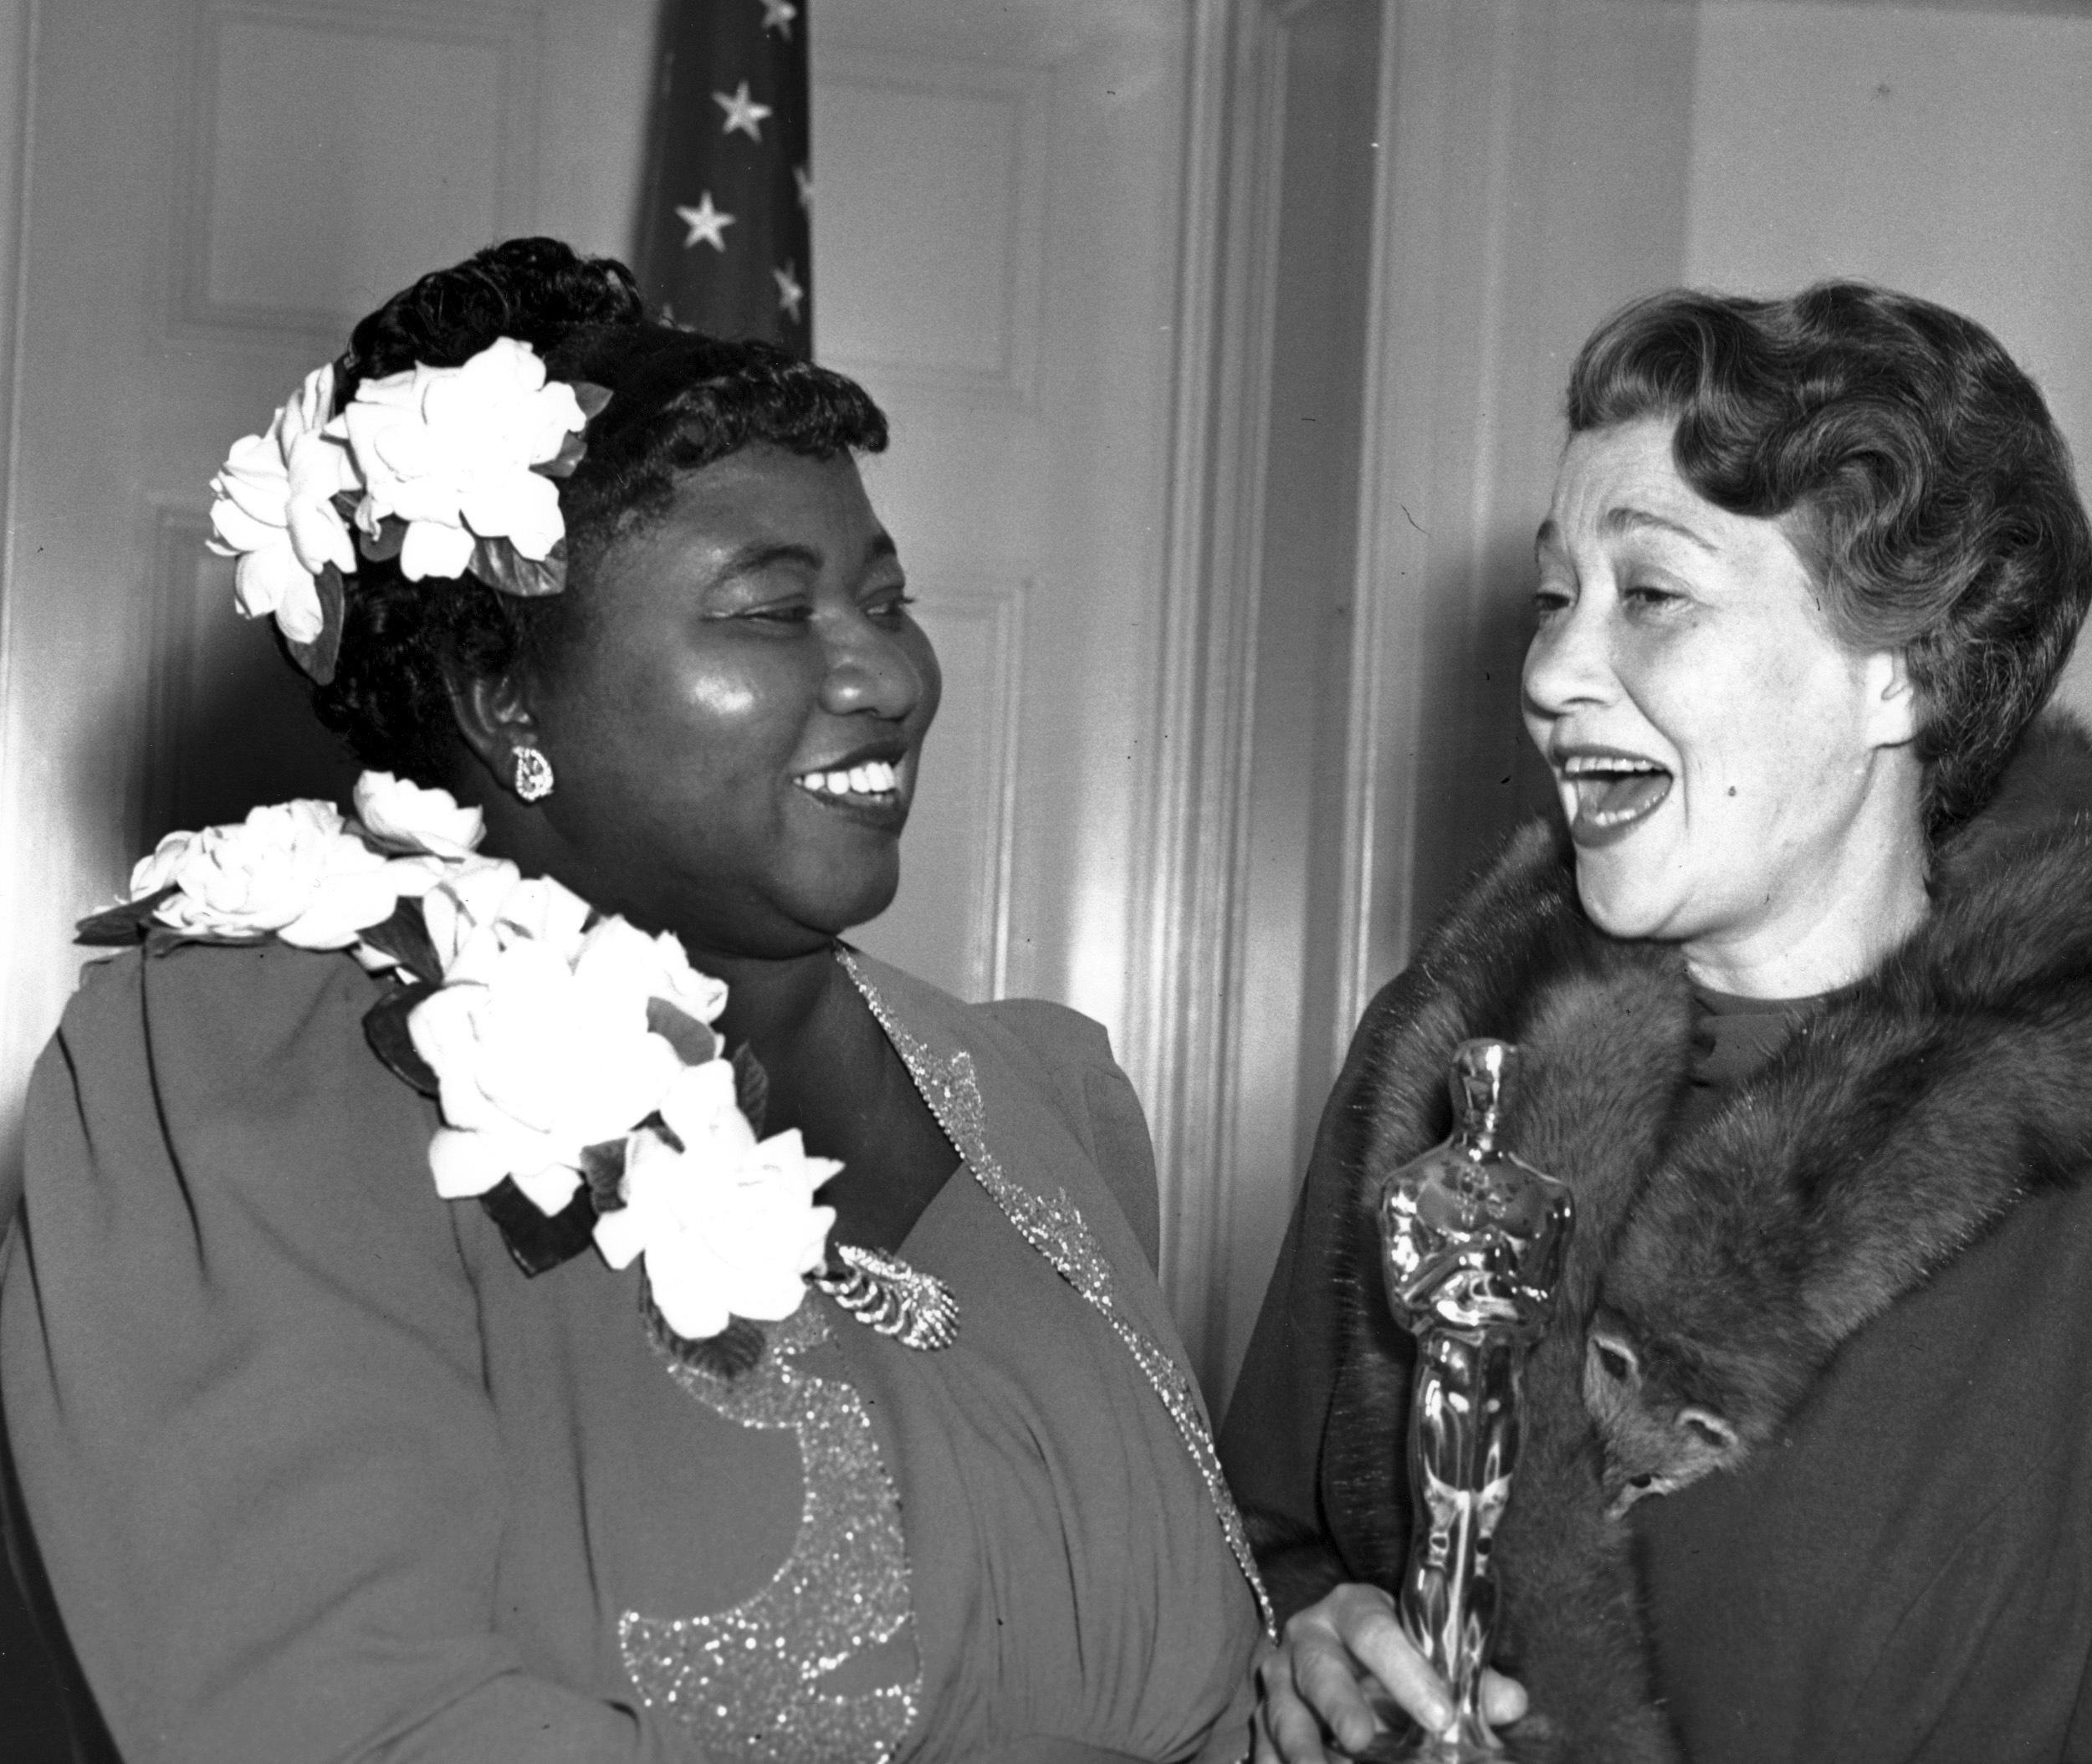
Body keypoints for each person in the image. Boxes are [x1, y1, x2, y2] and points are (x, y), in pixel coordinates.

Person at [2, 238, 1267, 1764]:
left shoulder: (1046, 1096)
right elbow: (344, 1720)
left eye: (887, 596)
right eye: (769, 609)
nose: (893, 676)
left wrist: (1299, 1696)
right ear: (507, 700)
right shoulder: (249, 1076)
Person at [1222, 282, 2092, 1762]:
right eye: (1555, 598)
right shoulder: (1447, 1063)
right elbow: (1275, 1541)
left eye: (1654, 594)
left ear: (1905, 663)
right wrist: (1312, 1644)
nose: (1552, 674)